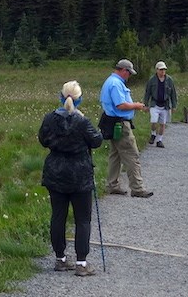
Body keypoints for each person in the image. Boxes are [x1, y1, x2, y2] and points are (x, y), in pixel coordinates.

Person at [39, 80, 103, 276]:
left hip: (55, 172)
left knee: (58, 216)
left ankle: (60, 259)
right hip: (79, 173)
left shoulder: (50, 119)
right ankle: (82, 264)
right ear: (79, 99)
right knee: (83, 219)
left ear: (61, 97)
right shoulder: (82, 122)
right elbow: (97, 141)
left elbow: (42, 140)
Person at [100, 59, 153, 198]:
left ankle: (112, 184)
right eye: (129, 73)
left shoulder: (109, 81)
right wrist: (136, 105)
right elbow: (120, 105)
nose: (129, 76)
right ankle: (137, 187)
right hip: (120, 124)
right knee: (131, 154)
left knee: (115, 155)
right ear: (124, 70)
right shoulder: (116, 84)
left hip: (111, 122)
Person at [144, 60, 178, 148]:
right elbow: (147, 93)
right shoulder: (152, 80)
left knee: (163, 123)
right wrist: (146, 104)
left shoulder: (169, 80)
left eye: (164, 70)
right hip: (155, 103)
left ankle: (159, 140)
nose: (163, 71)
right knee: (154, 121)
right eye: (161, 70)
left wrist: (174, 105)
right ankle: (153, 134)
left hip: (165, 104)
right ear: (157, 70)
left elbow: (173, 93)